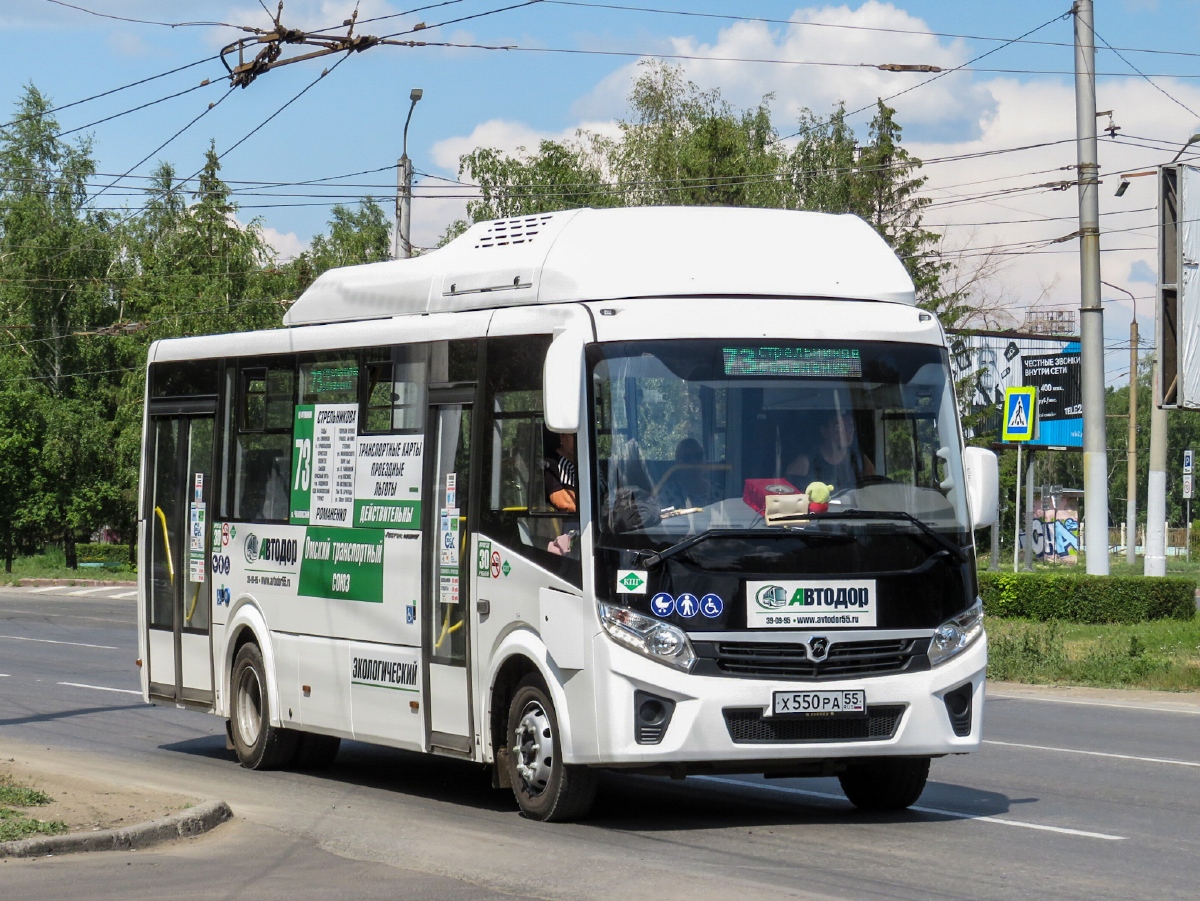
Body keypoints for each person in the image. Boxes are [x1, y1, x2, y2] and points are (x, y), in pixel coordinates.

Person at [786, 410, 874, 491]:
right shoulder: (805, 462)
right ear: (824, 431)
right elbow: (790, 496)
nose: (844, 432)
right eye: (838, 427)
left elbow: (874, 492)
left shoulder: (861, 461)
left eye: (849, 427)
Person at [659, 437, 717, 509]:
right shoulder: (666, 494)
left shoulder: (719, 491)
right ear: (678, 463)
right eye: (687, 458)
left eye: (698, 456)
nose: (694, 462)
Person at [544, 430, 578, 513]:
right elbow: (565, 503)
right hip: (572, 522)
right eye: (575, 435)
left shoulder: (589, 462)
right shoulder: (551, 464)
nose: (581, 439)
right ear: (562, 436)